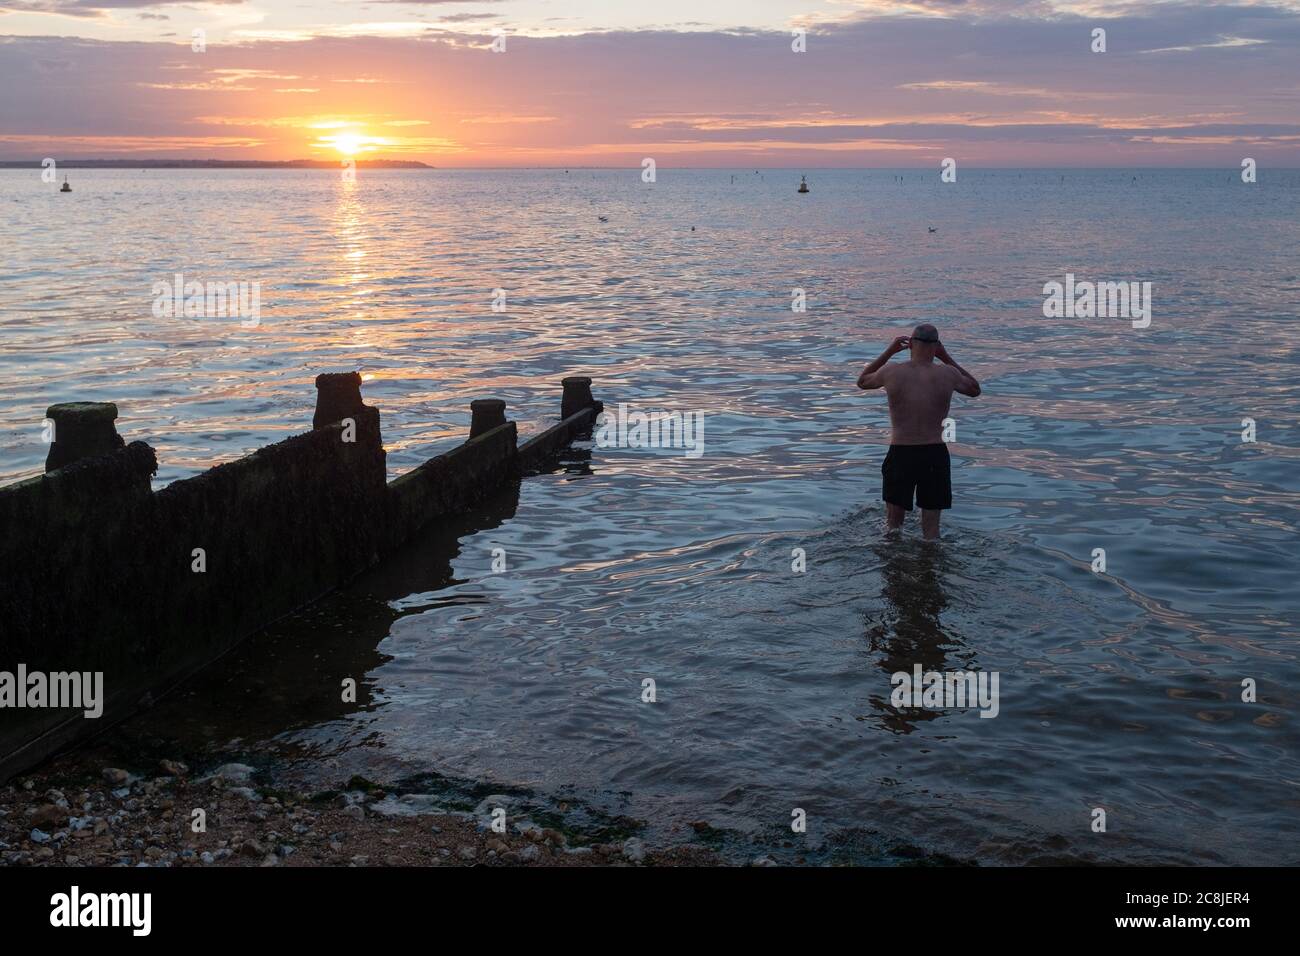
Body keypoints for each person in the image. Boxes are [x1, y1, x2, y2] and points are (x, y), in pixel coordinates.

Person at [856, 324, 980, 540]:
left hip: (901, 453)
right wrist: (946, 356)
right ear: (937, 347)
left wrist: (889, 352)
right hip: (935, 454)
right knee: (932, 534)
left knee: (893, 530)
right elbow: (974, 389)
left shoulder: (892, 371)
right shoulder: (948, 374)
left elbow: (862, 381)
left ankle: (894, 569)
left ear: (910, 344)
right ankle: (929, 569)